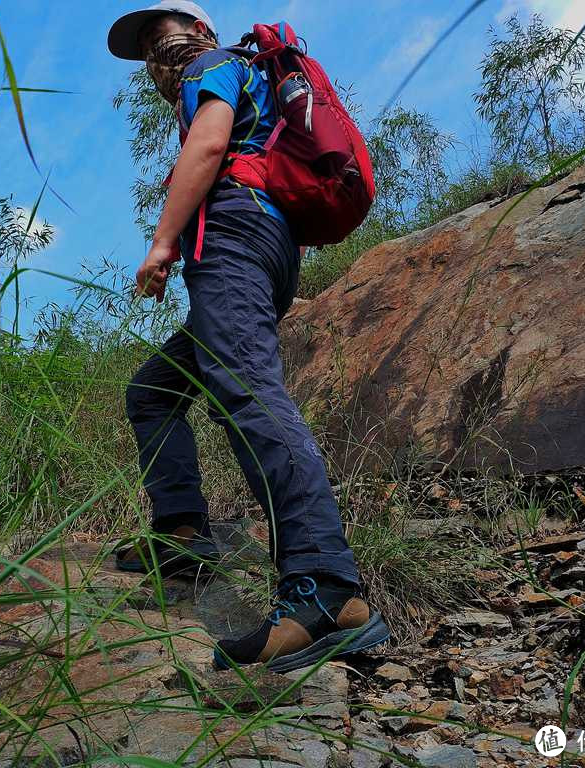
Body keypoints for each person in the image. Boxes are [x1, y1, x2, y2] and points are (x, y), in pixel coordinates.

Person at [107, 1, 389, 673]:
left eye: (161, 34)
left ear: (200, 30)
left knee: (251, 396)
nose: (156, 52)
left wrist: (162, 244)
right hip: (266, 240)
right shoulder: (243, 69)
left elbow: (208, 145)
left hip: (234, 233)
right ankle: (183, 532)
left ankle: (327, 591)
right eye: (147, 46)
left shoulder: (215, 64)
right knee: (155, 390)